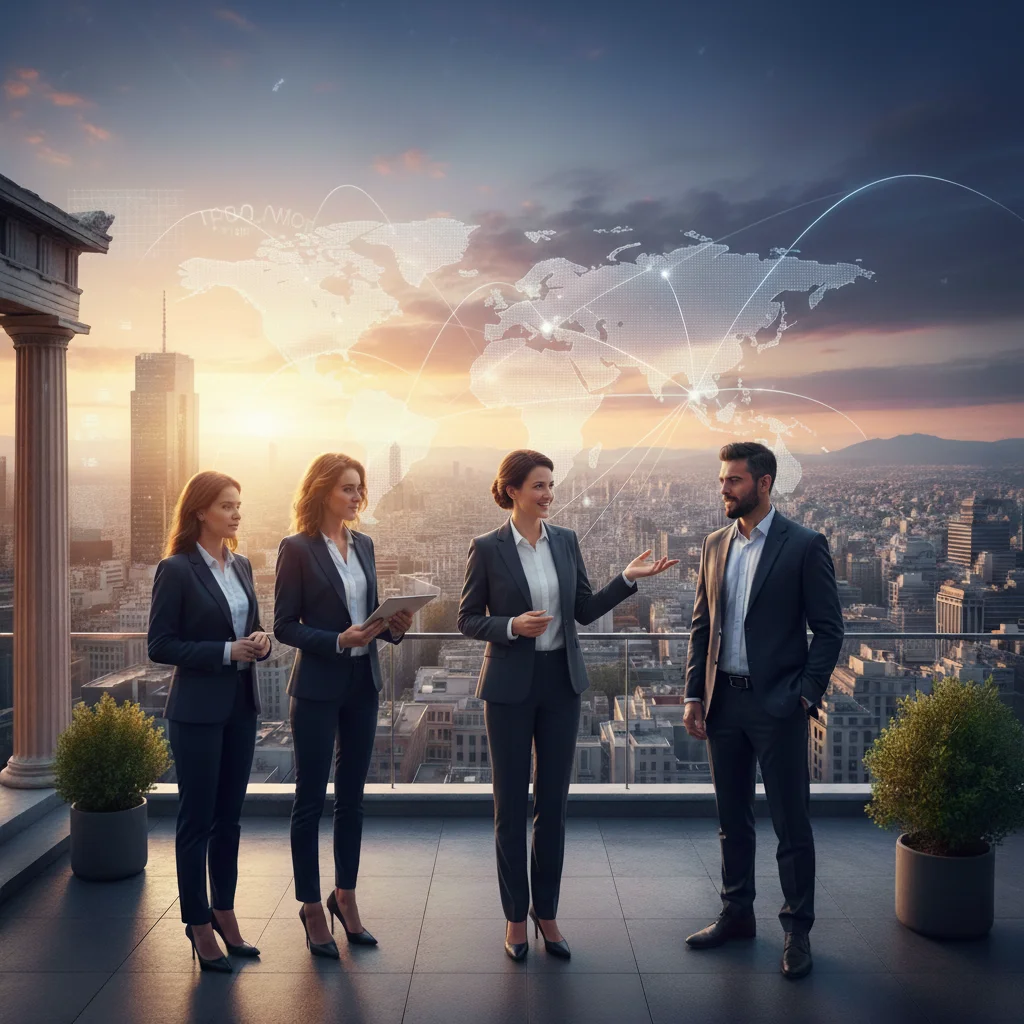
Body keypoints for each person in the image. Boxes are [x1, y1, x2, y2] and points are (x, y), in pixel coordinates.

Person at [458, 449, 678, 961]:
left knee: (552, 806)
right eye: (539, 486)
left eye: (551, 485)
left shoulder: (566, 541)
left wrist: (626, 580)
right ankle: (516, 918)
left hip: (561, 683)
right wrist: (512, 627)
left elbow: (581, 611)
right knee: (510, 807)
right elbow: (469, 618)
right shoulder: (486, 548)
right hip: (510, 685)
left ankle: (547, 913)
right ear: (511, 490)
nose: (549, 495)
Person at [682, 441, 844, 979]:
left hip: (778, 703)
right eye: (722, 479)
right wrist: (692, 694)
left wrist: (805, 692)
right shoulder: (712, 544)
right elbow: (702, 626)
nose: (723, 488)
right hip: (723, 700)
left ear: (765, 483)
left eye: (733, 480)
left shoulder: (804, 544)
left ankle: (797, 931)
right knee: (732, 820)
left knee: (791, 823)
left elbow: (829, 629)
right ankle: (737, 914)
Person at [274, 453, 413, 958]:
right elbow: (284, 626)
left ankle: (345, 898)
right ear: (321, 492)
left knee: (352, 798)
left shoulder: (366, 545)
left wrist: (394, 628)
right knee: (309, 800)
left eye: (360, 489)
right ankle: (312, 906)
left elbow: (370, 615)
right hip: (316, 683)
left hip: (363, 681)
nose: (357, 498)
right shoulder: (297, 548)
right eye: (348, 489)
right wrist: (337, 639)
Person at [148, 470, 272, 973]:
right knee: (196, 820)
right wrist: (226, 651)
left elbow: (252, 626)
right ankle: (197, 924)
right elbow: (160, 645)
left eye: (239, 504)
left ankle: (224, 910)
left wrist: (259, 641)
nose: (236, 513)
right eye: (226, 505)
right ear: (200, 511)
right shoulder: (175, 569)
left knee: (230, 820)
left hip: (241, 705)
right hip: (196, 711)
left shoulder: (241, 565)